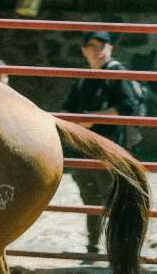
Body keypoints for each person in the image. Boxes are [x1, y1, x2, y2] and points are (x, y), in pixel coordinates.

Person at [61, 31, 142, 254]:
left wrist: (92, 118)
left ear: (110, 48)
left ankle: (118, 248)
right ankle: (93, 245)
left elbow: (128, 107)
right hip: (84, 149)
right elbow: (67, 108)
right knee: (90, 198)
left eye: (102, 45)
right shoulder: (83, 78)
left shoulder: (117, 74)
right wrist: (77, 122)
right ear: (84, 50)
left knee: (113, 199)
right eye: (92, 46)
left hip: (110, 149)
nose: (98, 50)